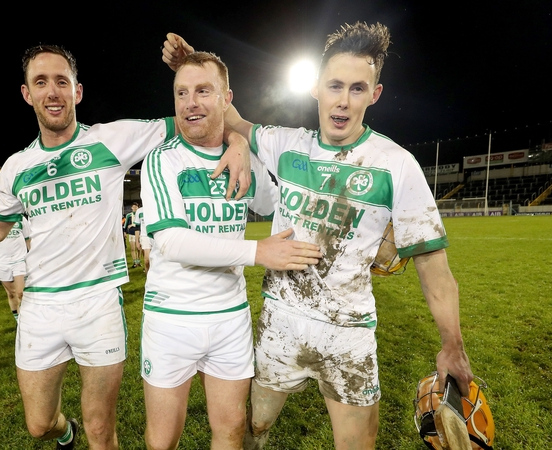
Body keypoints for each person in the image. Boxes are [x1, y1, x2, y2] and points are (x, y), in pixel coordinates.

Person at [0, 44, 251, 450]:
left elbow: (200, 119)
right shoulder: (16, 167)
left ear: (77, 92)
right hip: (40, 307)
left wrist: (237, 142)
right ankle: (63, 433)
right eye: (41, 82)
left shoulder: (112, 140)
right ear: (26, 93)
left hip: (98, 305)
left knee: (101, 431)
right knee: (38, 425)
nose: (53, 91)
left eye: (62, 82)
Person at [161, 24, 474, 450]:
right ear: (316, 89)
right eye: (335, 85)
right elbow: (229, 116)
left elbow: (433, 267)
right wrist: (197, 67)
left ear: (375, 94)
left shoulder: (397, 165)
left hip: (349, 335)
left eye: (358, 88)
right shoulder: (287, 144)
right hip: (280, 325)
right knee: (254, 429)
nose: (343, 100)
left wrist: (452, 344)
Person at [140, 51, 322, 449]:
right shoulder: (162, 160)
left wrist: (351, 222)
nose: (191, 102)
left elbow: (281, 208)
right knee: (162, 440)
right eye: (182, 92)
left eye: (204, 91)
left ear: (226, 98)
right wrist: (257, 252)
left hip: (229, 318)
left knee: (230, 430)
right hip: (172, 319)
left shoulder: (246, 160)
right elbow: (171, 242)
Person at [0, 216, 31, 322]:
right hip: (2, 263)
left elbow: (29, 240)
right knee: (11, 294)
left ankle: (25, 322)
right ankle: (18, 321)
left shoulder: (20, 218)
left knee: (20, 293)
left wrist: (34, 258)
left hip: (20, 260)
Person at [124, 202, 142, 268]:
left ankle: (138, 261)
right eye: (133, 207)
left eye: (136, 207)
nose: (134, 208)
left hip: (139, 233)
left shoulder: (140, 214)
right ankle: (135, 262)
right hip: (131, 233)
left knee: (139, 248)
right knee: (132, 249)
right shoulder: (129, 215)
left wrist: (132, 224)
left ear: (138, 208)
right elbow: (125, 224)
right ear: (131, 208)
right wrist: (124, 232)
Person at [136, 206, 151, 272]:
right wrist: (137, 241)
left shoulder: (155, 207)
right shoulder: (139, 211)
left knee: (156, 260)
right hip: (145, 237)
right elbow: (137, 228)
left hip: (155, 236)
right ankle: (148, 277)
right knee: (147, 260)